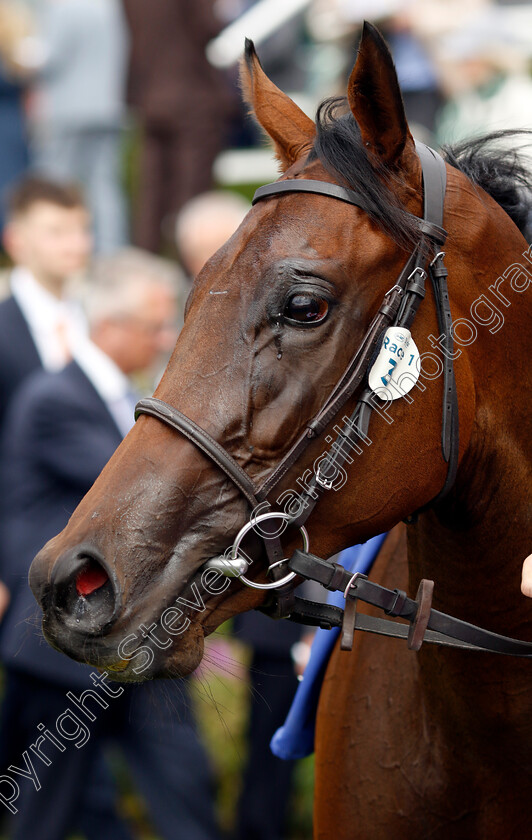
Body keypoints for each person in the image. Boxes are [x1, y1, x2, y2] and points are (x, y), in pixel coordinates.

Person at [0, 253, 221, 840]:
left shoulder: (130, 403)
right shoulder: (54, 400)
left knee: (186, 797)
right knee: (46, 816)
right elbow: (146, 495)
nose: (166, 338)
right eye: (155, 326)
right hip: (63, 652)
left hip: (142, 640)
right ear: (110, 328)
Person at [122, 0, 235, 252]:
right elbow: (208, 25)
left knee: (150, 194)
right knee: (193, 190)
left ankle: (145, 261)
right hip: (193, 95)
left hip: (150, 96)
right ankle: (191, 266)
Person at [29, 0, 129, 253]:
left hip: (67, 110)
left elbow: (51, 57)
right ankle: (111, 252)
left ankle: (54, 248)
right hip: (108, 105)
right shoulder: (111, 6)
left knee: (56, 184)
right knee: (105, 185)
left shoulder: (63, 8)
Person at [0, 175, 91, 433]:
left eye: (83, 230)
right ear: (15, 241)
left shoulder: (97, 317)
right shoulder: (4, 327)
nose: (77, 245)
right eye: (56, 232)